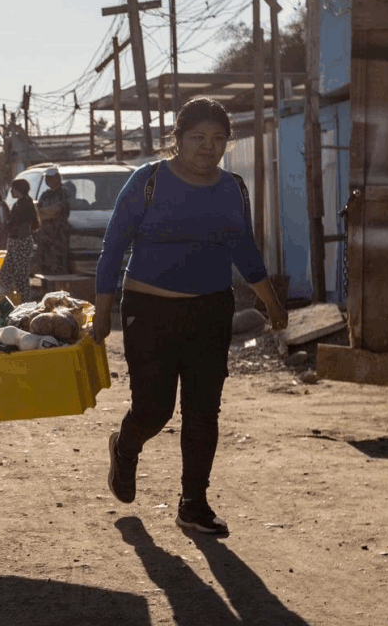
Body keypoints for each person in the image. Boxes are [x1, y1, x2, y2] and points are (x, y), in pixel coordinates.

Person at [93, 96, 289, 535]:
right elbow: (112, 249)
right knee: (154, 409)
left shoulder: (233, 187)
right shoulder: (148, 180)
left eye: (218, 139)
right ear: (177, 139)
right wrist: (103, 315)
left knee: (204, 410)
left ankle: (193, 503)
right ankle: (126, 448)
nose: (208, 147)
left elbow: (246, 251)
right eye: (198, 137)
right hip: (149, 310)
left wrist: (272, 303)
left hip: (210, 311)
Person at [0, 178, 39, 299]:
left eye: (13, 189)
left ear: (18, 190)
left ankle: (23, 302)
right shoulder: (20, 203)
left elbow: (25, 224)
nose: (11, 192)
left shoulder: (25, 204)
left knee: (21, 276)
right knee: (5, 273)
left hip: (20, 242)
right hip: (15, 241)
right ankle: (9, 299)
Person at [36, 166, 71, 274]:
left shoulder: (63, 193)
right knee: (45, 265)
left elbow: (57, 210)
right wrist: (45, 212)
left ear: (58, 178)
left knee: (58, 265)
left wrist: (45, 212)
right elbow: (37, 212)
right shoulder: (45, 195)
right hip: (45, 235)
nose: (48, 180)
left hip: (58, 235)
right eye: (46, 178)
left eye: (51, 178)